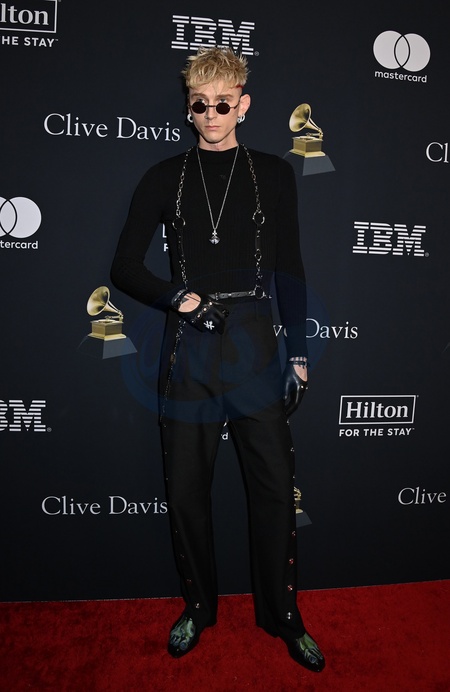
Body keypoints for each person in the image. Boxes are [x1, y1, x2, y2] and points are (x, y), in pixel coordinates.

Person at [111, 46, 325, 673]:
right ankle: (199, 608)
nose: (210, 114)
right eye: (199, 104)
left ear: (243, 105)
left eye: (222, 103)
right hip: (189, 347)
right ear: (189, 108)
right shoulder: (162, 176)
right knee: (185, 492)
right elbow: (124, 266)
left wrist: (299, 354)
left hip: (256, 342)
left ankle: (284, 616)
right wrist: (179, 299)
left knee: (274, 490)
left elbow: (289, 268)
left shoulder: (274, 174)